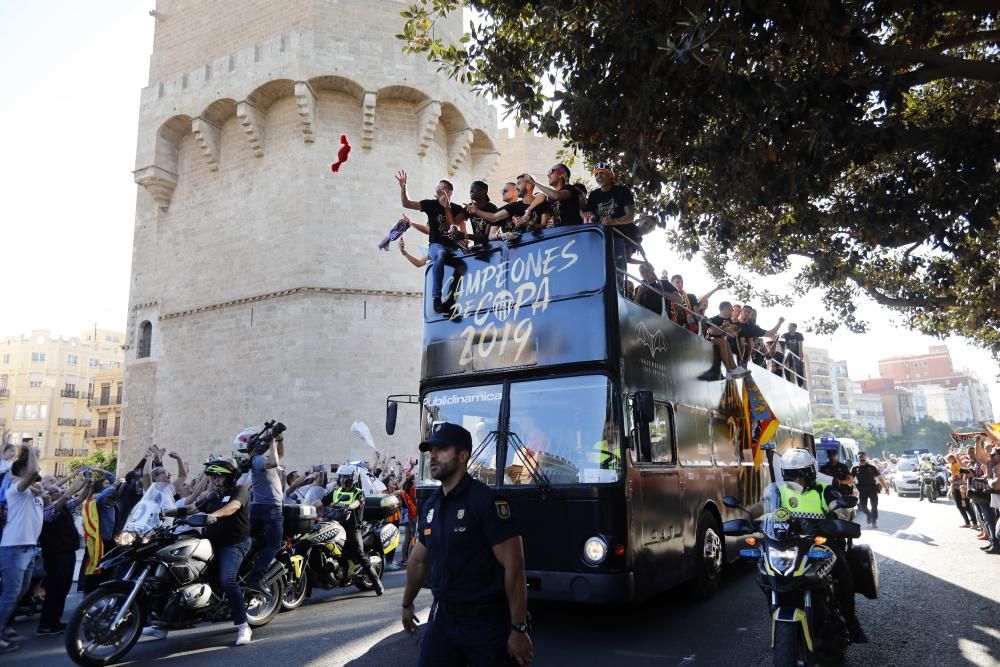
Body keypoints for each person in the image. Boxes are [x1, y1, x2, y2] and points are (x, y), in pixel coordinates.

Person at [401, 422, 533, 666]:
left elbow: (514, 567)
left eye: (441, 449)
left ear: (463, 456)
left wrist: (519, 628)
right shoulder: (431, 505)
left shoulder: (487, 502)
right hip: (444, 617)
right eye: (430, 450)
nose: (432, 456)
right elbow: (419, 560)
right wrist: (407, 603)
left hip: (486, 622)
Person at [755, 449, 868, 644]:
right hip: (788, 543)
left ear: (811, 472)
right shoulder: (777, 491)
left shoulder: (824, 489)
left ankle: (851, 621)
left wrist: (839, 517)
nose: (797, 478)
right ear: (785, 474)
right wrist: (755, 522)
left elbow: (841, 508)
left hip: (821, 543)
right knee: (764, 573)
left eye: (801, 473)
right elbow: (766, 511)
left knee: (844, 573)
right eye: (792, 474)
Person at [155, 458, 254, 646]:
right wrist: (165, 513)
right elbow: (192, 509)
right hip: (210, 543)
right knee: (177, 574)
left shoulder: (239, 491)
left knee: (227, 580)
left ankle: (243, 626)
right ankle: (163, 625)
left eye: (218, 477)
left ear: (229, 477)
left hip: (233, 544)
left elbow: (232, 507)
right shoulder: (213, 496)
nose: (215, 480)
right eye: (213, 477)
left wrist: (213, 516)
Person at [395, 170, 467, 313]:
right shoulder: (430, 205)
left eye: (441, 188)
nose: (438, 191)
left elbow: (462, 232)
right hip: (436, 246)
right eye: (437, 189)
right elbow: (407, 203)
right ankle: (436, 298)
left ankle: (451, 300)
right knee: (439, 254)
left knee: (463, 266)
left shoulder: (457, 209)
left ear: (449, 192)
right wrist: (403, 187)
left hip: (452, 248)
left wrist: (464, 241)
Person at [0, 445, 42, 653]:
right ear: (21, 473)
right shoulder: (15, 490)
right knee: (10, 594)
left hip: (28, 548)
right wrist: (32, 452)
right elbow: (34, 471)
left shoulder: (31, 492)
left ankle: (5, 626)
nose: (38, 470)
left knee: (19, 593)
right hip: (14, 548)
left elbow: (53, 491)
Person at [317, 464, 384, 595]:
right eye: (341, 477)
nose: (342, 480)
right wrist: (308, 507)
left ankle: (377, 583)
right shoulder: (336, 491)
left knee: (360, 554)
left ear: (352, 478)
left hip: (352, 528)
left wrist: (349, 507)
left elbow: (357, 503)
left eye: (345, 477)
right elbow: (322, 502)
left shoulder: (358, 493)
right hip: (335, 525)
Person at [38, 473, 91, 634]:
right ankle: (46, 624)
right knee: (55, 589)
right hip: (56, 555)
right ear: (52, 496)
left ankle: (55, 621)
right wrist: (79, 479)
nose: (62, 493)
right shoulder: (48, 511)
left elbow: (80, 498)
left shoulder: (64, 507)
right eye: (58, 492)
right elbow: (68, 496)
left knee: (63, 588)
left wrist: (89, 485)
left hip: (67, 553)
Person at [234, 427, 285, 593]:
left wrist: (279, 440)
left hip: (259, 507)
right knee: (273, 546)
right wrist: (272, 441)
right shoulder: (257, 460)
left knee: (252, 542)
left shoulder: (255, 460)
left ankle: (240, 570)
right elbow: (275, 462)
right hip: (270, 509)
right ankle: (254, 580)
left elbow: (279, 456)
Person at [586, 164, 636, 279]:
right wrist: (589, 215)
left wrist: (614, 221)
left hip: (618, 238)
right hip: (599, 239)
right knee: (597, 273)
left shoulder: (622, 191)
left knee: (616, 275)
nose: (599, 176)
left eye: (602, 173)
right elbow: (590, 216)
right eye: (596, 174)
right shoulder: (594, 195)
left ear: (610, 175)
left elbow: (631, 216)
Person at [851, 452, 890, 528]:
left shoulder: (872, 467)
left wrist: (886, 488)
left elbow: (880, 478)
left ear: (866, 458)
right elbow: (850, 479)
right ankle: (869, 515)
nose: (862, 459)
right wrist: (852, 489)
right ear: (858, 458)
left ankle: (874, 521)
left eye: (863, 457)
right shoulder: (855, 468)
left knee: (874, 505)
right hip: (862, 490)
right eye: (860, 458)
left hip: (872, 489)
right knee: (862, 507)